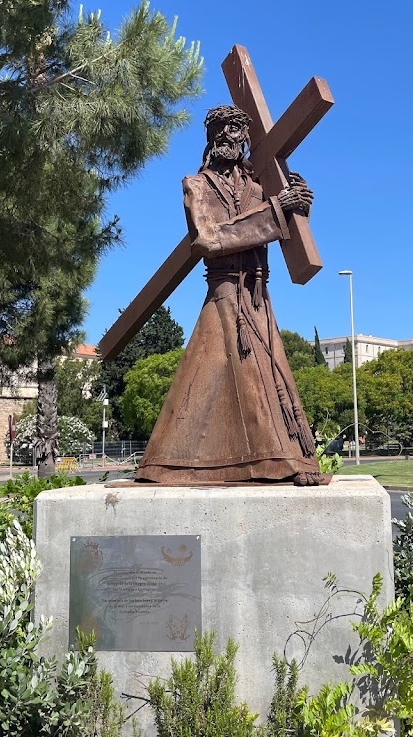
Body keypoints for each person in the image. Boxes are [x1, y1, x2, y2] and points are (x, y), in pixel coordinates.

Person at [135, 105, 320, 485]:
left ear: (246, 138)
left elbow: (274, 221)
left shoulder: (256, 188)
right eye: (219, 129)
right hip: (223, 295)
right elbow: (206, 238)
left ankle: (285, 457)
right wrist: (276, 210)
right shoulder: (196, 185)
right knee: (221, 378)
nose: (227, 136)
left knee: (269, 375)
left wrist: (296, 206)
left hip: (257, 296)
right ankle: (258, 463)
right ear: (209, 138)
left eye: (235, 129)